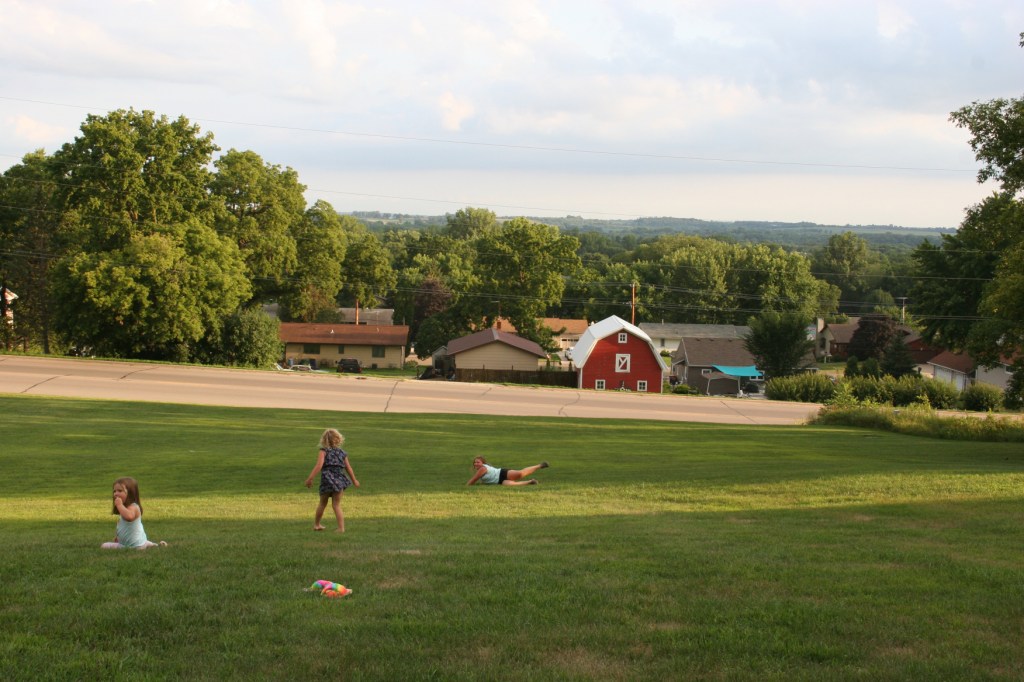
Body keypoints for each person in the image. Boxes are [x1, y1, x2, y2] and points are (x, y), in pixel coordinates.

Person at [305, 428, 360, 532]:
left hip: (327, 480)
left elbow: (319, 465)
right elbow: (348, 468)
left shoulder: (323, 451)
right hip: (339, 480)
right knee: (336, 505)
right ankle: (341, 528)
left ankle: (317, 525)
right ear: (338, 439)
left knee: (322, 503)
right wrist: (354, 480)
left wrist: (310, 478)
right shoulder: (342, 453)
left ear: (324, 440)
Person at [101, 477, 167, 549]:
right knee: (145, 543)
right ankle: (154, 545)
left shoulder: (134, 507)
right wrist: (118, 537)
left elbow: (129, 517)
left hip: (132, 546)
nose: (116, 494)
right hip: (138, 543)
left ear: (131, 493)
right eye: (114, 491)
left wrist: (119, 505)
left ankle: (149, 545)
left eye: (120, 491)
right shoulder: (124, 509)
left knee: (104, 546)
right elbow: (123, 526)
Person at [467, 456, 549, 487]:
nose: (476, 463)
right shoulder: (480, 470)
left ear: (483, 463)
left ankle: (540, 465)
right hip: (499, 481)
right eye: (475, 462)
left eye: (478, 462)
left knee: (520, 474)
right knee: (512, 485)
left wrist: (466, 486)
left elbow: (473, 480)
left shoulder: (482, 469)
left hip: (502, 473)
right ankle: (531, 482)